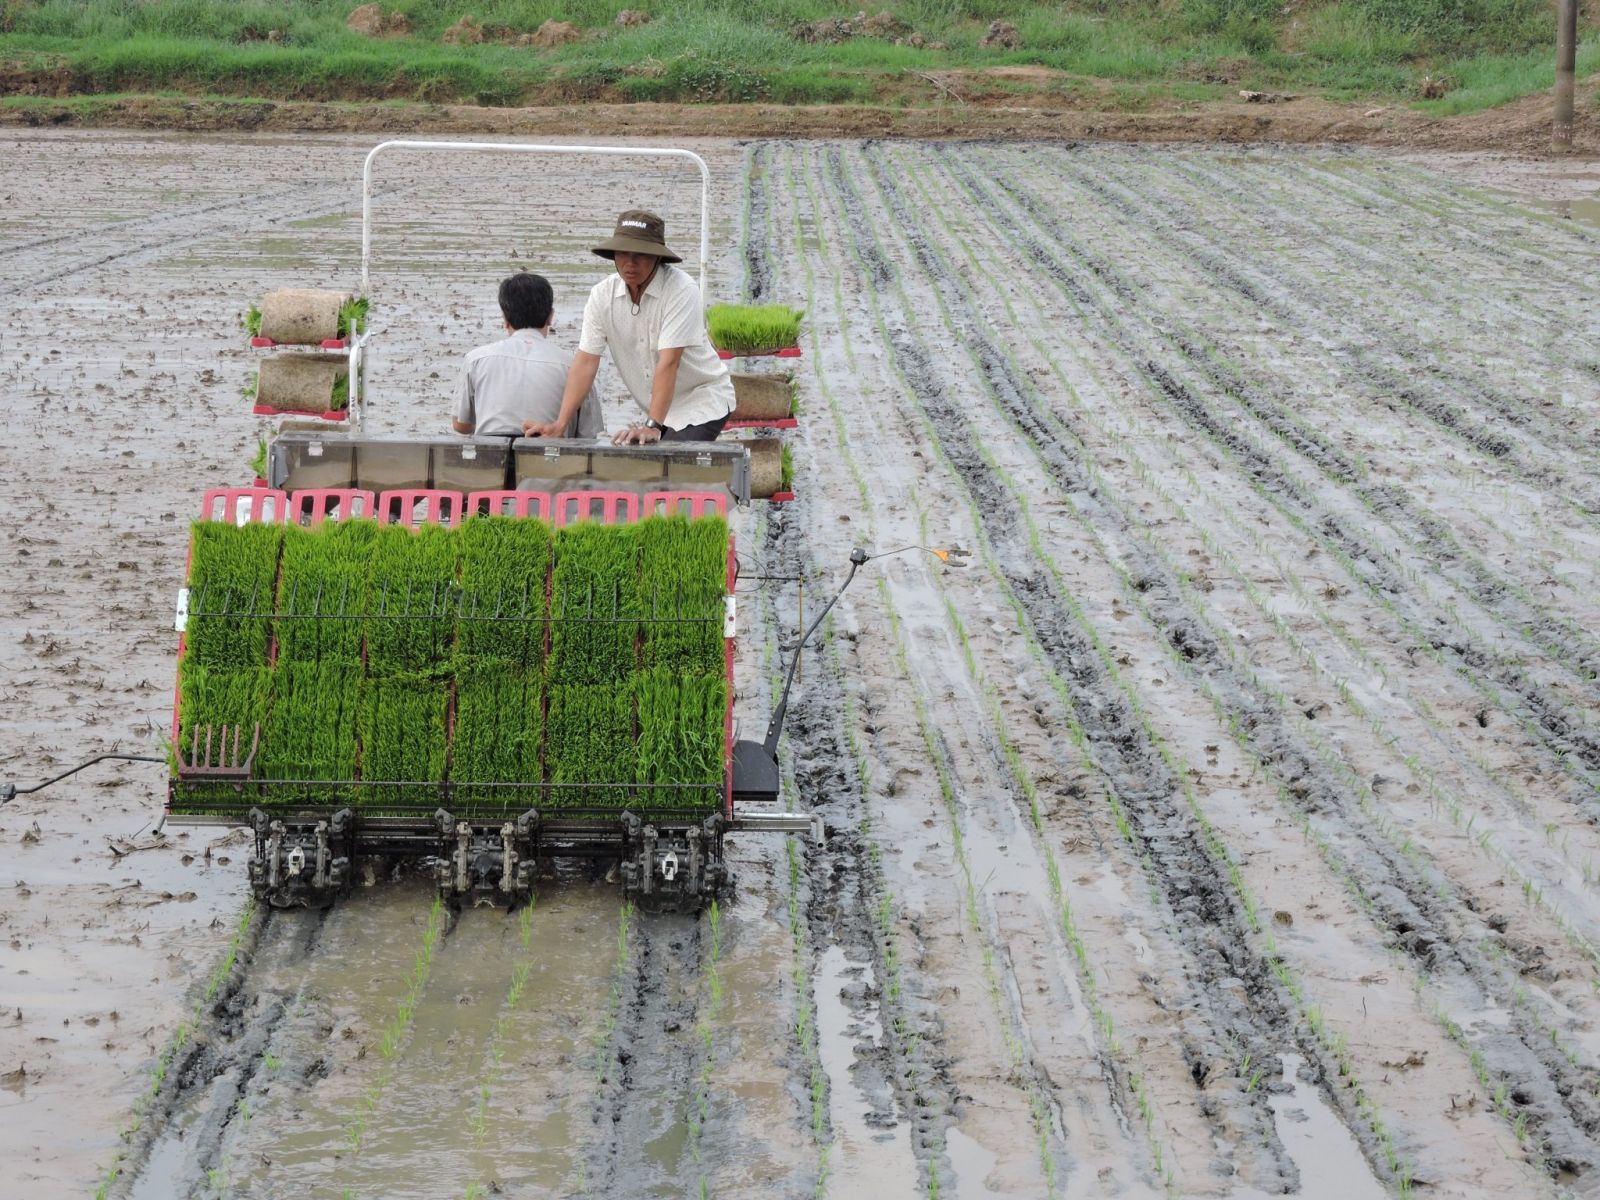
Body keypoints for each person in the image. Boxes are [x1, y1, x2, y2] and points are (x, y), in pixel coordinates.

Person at [523, 210, 734, 445]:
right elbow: (586, 361)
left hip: (701, 399)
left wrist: (652, 426)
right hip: (660, 409)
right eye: (623, 253)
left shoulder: (681, 290)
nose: (630, 263)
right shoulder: (602, 296)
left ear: (657, 257)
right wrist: (559, 425)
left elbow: (669, 362)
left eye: (641, 255)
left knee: (673, 466)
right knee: (650, 471)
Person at [452, 272, 601, 437]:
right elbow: (588, 433)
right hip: (549, 459)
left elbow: (460, 424)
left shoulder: (476, 360)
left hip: (492, 459)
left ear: (505, 319)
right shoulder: (575, 367)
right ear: (550, 317)